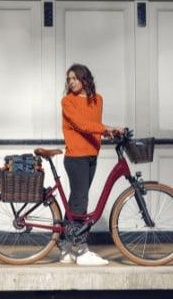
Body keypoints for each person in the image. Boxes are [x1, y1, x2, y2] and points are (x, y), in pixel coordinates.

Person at [59, 63, 121, 266]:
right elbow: (83, 125)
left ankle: (65, 245)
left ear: (85, 79)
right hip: (75, 157)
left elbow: (94, 125)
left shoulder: (98, 99)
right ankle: (81, 249)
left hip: (91, 156)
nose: (71, 82)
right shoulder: (67, 102)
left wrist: (107, 131)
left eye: (75, 78)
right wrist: (108, 129)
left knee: (75, 200)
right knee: (80, 202)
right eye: (69, 79)